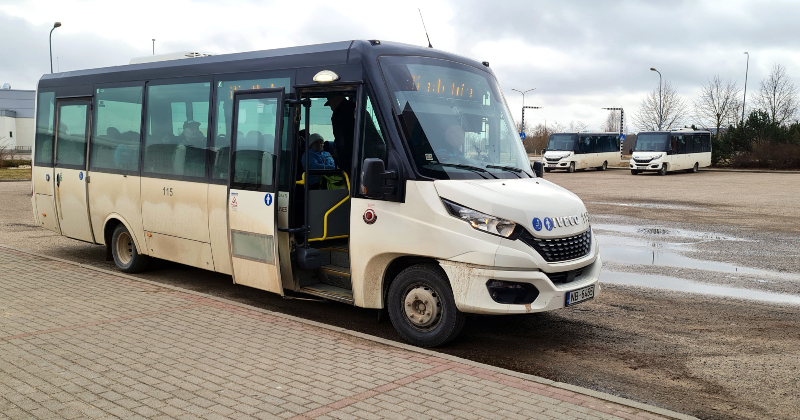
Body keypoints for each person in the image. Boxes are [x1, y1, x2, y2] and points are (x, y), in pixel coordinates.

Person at [324, 92, 356, 172]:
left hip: (350, 162)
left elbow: (341, 142)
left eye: (330, 103)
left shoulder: (338, 115)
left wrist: (341, 165)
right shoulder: (357, 108)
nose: (331, 107)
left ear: (334, 99)